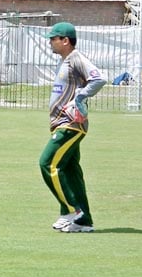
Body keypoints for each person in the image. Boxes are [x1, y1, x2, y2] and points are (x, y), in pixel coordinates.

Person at [39, 22, 106, 233]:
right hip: (62, 124)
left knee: (47, 163)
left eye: (53, 38)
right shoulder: (66, 61)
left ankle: (71, 210)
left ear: (65, 40)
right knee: (71, 172)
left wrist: (80, 96)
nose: (50, 42)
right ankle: (83, 220)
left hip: (70, 124)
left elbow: (99, 79)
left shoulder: (76, 58)